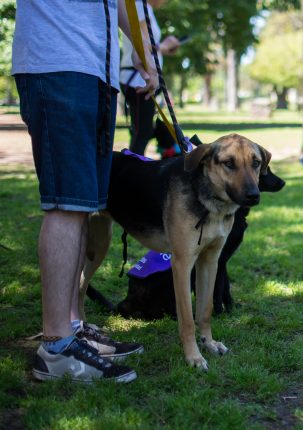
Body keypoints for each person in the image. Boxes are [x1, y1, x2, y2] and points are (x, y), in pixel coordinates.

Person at [12, 0, 158, 382]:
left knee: (85, 206)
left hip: (99, 71)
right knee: (66, 204)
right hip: (58, 63)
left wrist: (144, 54)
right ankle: (57, 346)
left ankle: (73, 327)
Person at [120, 0, 180, 156]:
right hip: (138, 78)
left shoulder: (146, 8)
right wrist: (165, 46)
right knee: (142, 132)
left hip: (141, 77)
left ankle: (132, 170)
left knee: (143, 130)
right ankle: (131, 173)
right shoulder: (138, 5)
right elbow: (141, 43)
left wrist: (162, 49)